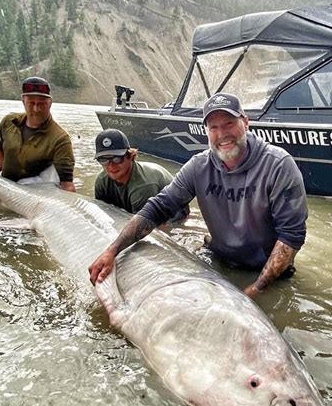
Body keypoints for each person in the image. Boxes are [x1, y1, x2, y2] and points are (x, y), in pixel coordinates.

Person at [89, 92, 307, 299]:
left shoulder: (279, 165)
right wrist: (112, 251)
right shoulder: (198, 166)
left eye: (229, 123)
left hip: (269, 274)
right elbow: (158, 208)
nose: (222, 134)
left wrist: (256, 290)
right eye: (213, 127)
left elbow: (291, 235)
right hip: (218, 261)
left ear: (246, 122)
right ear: (206, 132)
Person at [0, 77, 76, 192]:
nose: (36, 109)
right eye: (31, 103)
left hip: (35, 197)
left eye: (42, 104)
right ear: (23, 101)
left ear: (50, 103)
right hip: (4, 191)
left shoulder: (60, 139)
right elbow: (0, 149)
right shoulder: (9, 122)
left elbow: (67, 184)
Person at [93, 128, 187, 218]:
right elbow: (103, 213)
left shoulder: (144, 185)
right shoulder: (102, 181)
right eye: (103, 160)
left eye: (117, 159)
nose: (111, 165)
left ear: (131, 156)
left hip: (172, 215)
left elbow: (143, 225)